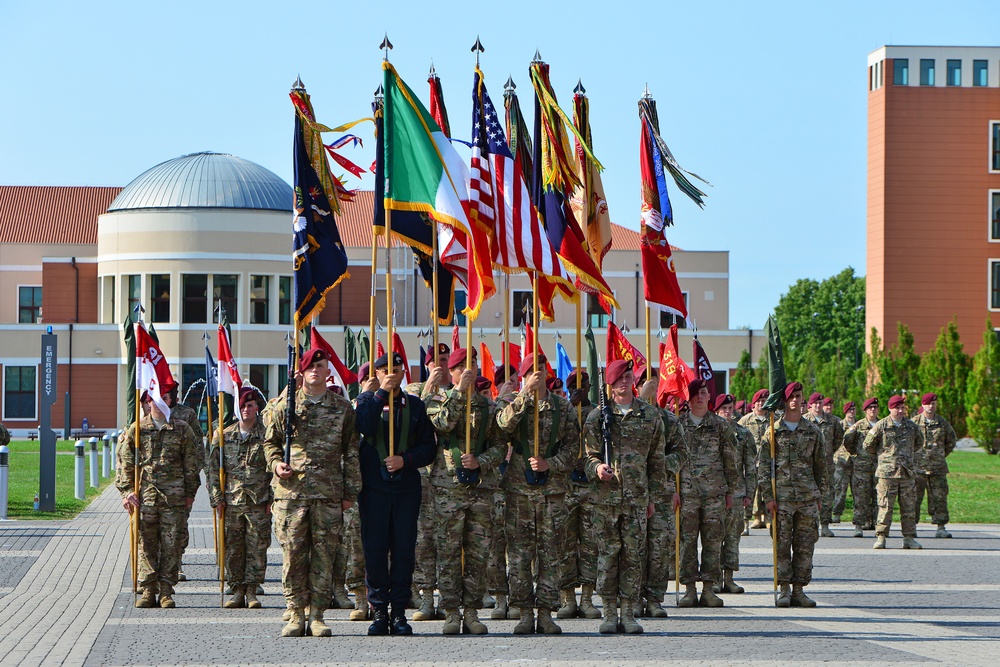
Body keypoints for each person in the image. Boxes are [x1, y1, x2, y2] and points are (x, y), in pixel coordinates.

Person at [263, 348, 360, 637]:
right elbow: (270, 443)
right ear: (302, 372)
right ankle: (295, 613)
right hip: (291, 494)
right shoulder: (287, 406)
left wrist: (350, 492)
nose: (316, 371)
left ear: (328, 371)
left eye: (321, 365)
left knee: (324, 556)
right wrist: (276, 464)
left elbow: (351, 450)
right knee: (293, 554)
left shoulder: (342, 408)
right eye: (310, 366)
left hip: (328, 492)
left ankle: (317, 614)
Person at [425, 348, 507, 635]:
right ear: (452, 372)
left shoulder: (490, 407)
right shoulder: (438, 400)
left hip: (481, 489)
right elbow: (443, 423)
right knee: (447, 552)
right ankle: (450, 612)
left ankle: (471, 611)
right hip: (448, 488)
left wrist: (482, 461)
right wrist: (459, 391)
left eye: (471, 366)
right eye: (461, 367)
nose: (468, 371)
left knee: (478, 554)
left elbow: (500, 446)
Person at [496, 353, 579, 634]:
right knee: (519, 556)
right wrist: (523, 396)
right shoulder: (513, 403)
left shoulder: (562, 407)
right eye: (532, 369)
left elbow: (573, 449)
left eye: (542, 368)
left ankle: (545, 612)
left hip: (552, 492)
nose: (538, 373)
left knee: (550, 554)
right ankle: (524, 612)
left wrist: (550, 464)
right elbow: (502, 428)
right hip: (519, 491)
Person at [583, 360, 668, 635]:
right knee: (608, 555)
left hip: (636, 499)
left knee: (633, 555)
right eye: (618, 378)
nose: (623, 381)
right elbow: (586, 456)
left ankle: (629, 612)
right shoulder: (598, 416)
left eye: (628, 376)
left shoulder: (650, 415)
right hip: (605, 499)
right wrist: (596, 468)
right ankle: (609, 611)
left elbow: (656, 461)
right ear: (609, 382)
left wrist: (653, 497)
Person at [355, 351, 437, 635]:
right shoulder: (366, 401)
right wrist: (380, 395)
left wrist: (406, 460)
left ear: (404, 373)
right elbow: (362, 427)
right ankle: (379, 611)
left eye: (397, 369)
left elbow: (429, 447)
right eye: (385, 370)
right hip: (373, 487)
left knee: (403, 550)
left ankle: (399, 611)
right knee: (375, 549)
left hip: (405, 487)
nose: (392, 373)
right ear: (376, 374)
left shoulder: (415, 406)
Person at [117, 391, 200, 608]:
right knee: (146, 543)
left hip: (174, 497)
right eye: (155, 398)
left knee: (171, 543)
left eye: (165, 397)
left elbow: (191, 463)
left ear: (170, 401)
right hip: (145, 496)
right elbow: (125, 462)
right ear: (147, 402)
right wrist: (127, 492)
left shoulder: (182, 428)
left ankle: (166, 590)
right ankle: (148, 590)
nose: (160, 402)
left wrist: (191, 493)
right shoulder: (137, 429)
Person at [757, 382, 827, 607]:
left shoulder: (813, 431)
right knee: (781, 544)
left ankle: (799, 589)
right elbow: (764, 467)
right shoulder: (773, 430)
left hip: (807, 497)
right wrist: (768, 497)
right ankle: (784, 588)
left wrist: (820, 496)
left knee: (806, 544)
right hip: (782, 498)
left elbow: (821, 467)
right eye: (792, 397)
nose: (796, 400)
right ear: (785, 401)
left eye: (799, 395)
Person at [675, 379, 738, 608]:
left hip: (714, 494)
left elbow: (730, 460)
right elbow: (671, 462)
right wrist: (673, 491)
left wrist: (731, 491)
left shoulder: (720, 425)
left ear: (709, 397)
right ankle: (690, 589)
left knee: (713, 542)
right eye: (695, 393)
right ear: (688, 398)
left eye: (703, 392)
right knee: (687, 542)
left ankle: (709, 589)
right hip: (687, 494)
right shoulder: (678, 424)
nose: (700, 397)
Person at [208, 387, 272, 609]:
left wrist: (272, 499)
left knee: (257, 547)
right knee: (233, 548)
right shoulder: (224, 436)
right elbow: (213, 469)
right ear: (237, 409)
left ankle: (252, 591)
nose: (247, 409)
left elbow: (273, 469)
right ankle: (237, 591)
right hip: (232, 501)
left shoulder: (267, 435)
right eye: (243, 406)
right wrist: (217, 498)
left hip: (258, 501)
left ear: (257, 408)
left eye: (251, 405)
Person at [404, 342, 450, 621]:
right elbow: (410, 420)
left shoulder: (455, 394)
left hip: (446, 476)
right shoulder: (413, 390)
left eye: (447, 361)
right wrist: (429, 389)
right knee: (422, 541)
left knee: (446, 540)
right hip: (420, 477)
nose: (443, 366)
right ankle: (424, 597)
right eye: (439, 360)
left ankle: (446, 597)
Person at [558, 368, 601, 621]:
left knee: (590, 545)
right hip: (566, 485)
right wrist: (572, 408)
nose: (579, 388)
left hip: (591, 485)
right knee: (565, 543)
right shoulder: (563, 411)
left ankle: (587, 597)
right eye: (574, 384)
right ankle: (567, 597)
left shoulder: (597, 412)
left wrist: (584, 408)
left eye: (583, 383)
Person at [863, 395, 925, 550]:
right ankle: (881, 537)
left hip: (906, 473)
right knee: (885, 506)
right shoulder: (881, 425)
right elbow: (868, 445)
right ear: (890, 408)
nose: (900, 410)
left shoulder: (911, 426)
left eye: (902, 408)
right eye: (897, 408)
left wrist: (905, 457)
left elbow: (919, 443)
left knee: (908, 506)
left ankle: (909, 538)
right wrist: (884, 458)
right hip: (887, 474)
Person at [712, 393, 755, 595]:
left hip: (736, 493)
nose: (728, 412)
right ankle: (712, 580)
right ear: (717, 411)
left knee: (732, 537)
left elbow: (750, 467)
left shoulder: (743, 434)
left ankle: (728, 578)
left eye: (730, 409)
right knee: (712, 538)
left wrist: (749, 493)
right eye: (724, 409)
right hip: (713, 492)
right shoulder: (710, 432)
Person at [164, 386, 205, 583]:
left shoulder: (187, 414)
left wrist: (193, 475)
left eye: (170, 394)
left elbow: (198, 444)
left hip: (178, 484)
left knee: (178, 526)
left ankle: (177, 563)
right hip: (154, 485)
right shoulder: (148, 410)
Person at [911, 393, 958, 539]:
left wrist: (940, 455)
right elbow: (906, 443)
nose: (931, 407)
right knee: (913, 498)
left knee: (940, 497)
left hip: (937, 468)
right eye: (928, 404)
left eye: (934, 404)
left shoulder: (942, 423)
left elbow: (951, 441)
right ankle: (911, 527)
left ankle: (941, 527)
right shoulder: (913, 423)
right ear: (923, 405)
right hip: (918, 468)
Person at [842, 398, 880, 537]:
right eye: (870, 407)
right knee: (860, 498)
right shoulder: (858, 426)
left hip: (878, 467)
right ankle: (858, 525)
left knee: (878, 498)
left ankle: (877, 525)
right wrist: (855, 455)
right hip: (861, 468)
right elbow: (847, 442)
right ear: (865, 410)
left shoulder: (882, 425)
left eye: (875, 407)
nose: (873, 410)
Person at [803, 393, 840, 538]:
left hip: (826, 464)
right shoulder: (804, 420)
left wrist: (828, 453)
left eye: (820, 403)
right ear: (810, 405)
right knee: (807, 494)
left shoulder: (832, 421)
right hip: (808, 465)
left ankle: (825, 524)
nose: (818, 406)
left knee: (826, 494)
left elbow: (838, 439)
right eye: (815, 403)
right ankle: (809, 525)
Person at [738, 389, 771, 531]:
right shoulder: (746, 420)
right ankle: (747, 520)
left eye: (764, 401)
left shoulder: (774, 419)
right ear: (754, 404)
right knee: (750, 492)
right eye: (759, 401)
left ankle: (769, 519)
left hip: (769, 462)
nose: (762, 404)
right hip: (751, 462)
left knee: (768, 490)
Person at [831, 401, 857, 525]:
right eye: (849, 410)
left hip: (856, 462)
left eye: (853, 409)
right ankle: (836, 513)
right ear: (845, 411)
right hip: (841, 462)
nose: (852, 412)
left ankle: (859, 516)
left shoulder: (859, 425)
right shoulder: (840, 425)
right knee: (840, 490)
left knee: (858, 491)